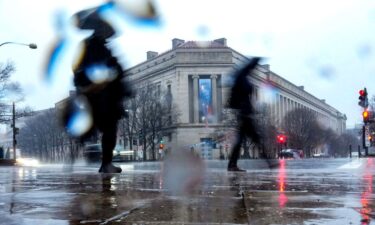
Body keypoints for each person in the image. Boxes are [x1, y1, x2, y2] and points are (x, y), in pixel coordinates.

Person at [71, 8, 132, 173]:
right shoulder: (93, 46)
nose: (108, 34)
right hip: (100, 94)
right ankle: (105, 163)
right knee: (109, 129)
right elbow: (89, 69)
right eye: (106, 30)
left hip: (102, 95)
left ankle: (104, 161)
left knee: (107, 129)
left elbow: (116, 70)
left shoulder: (98, 46)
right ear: (100, 29)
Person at [227, 57, 262, 172]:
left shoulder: (244, 77)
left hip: (245, 112)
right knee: (255, 138)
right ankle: (269, 161)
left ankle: (232, 165)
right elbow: (238, 96)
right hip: (244, 113)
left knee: (243, 139)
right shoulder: (242, 78)